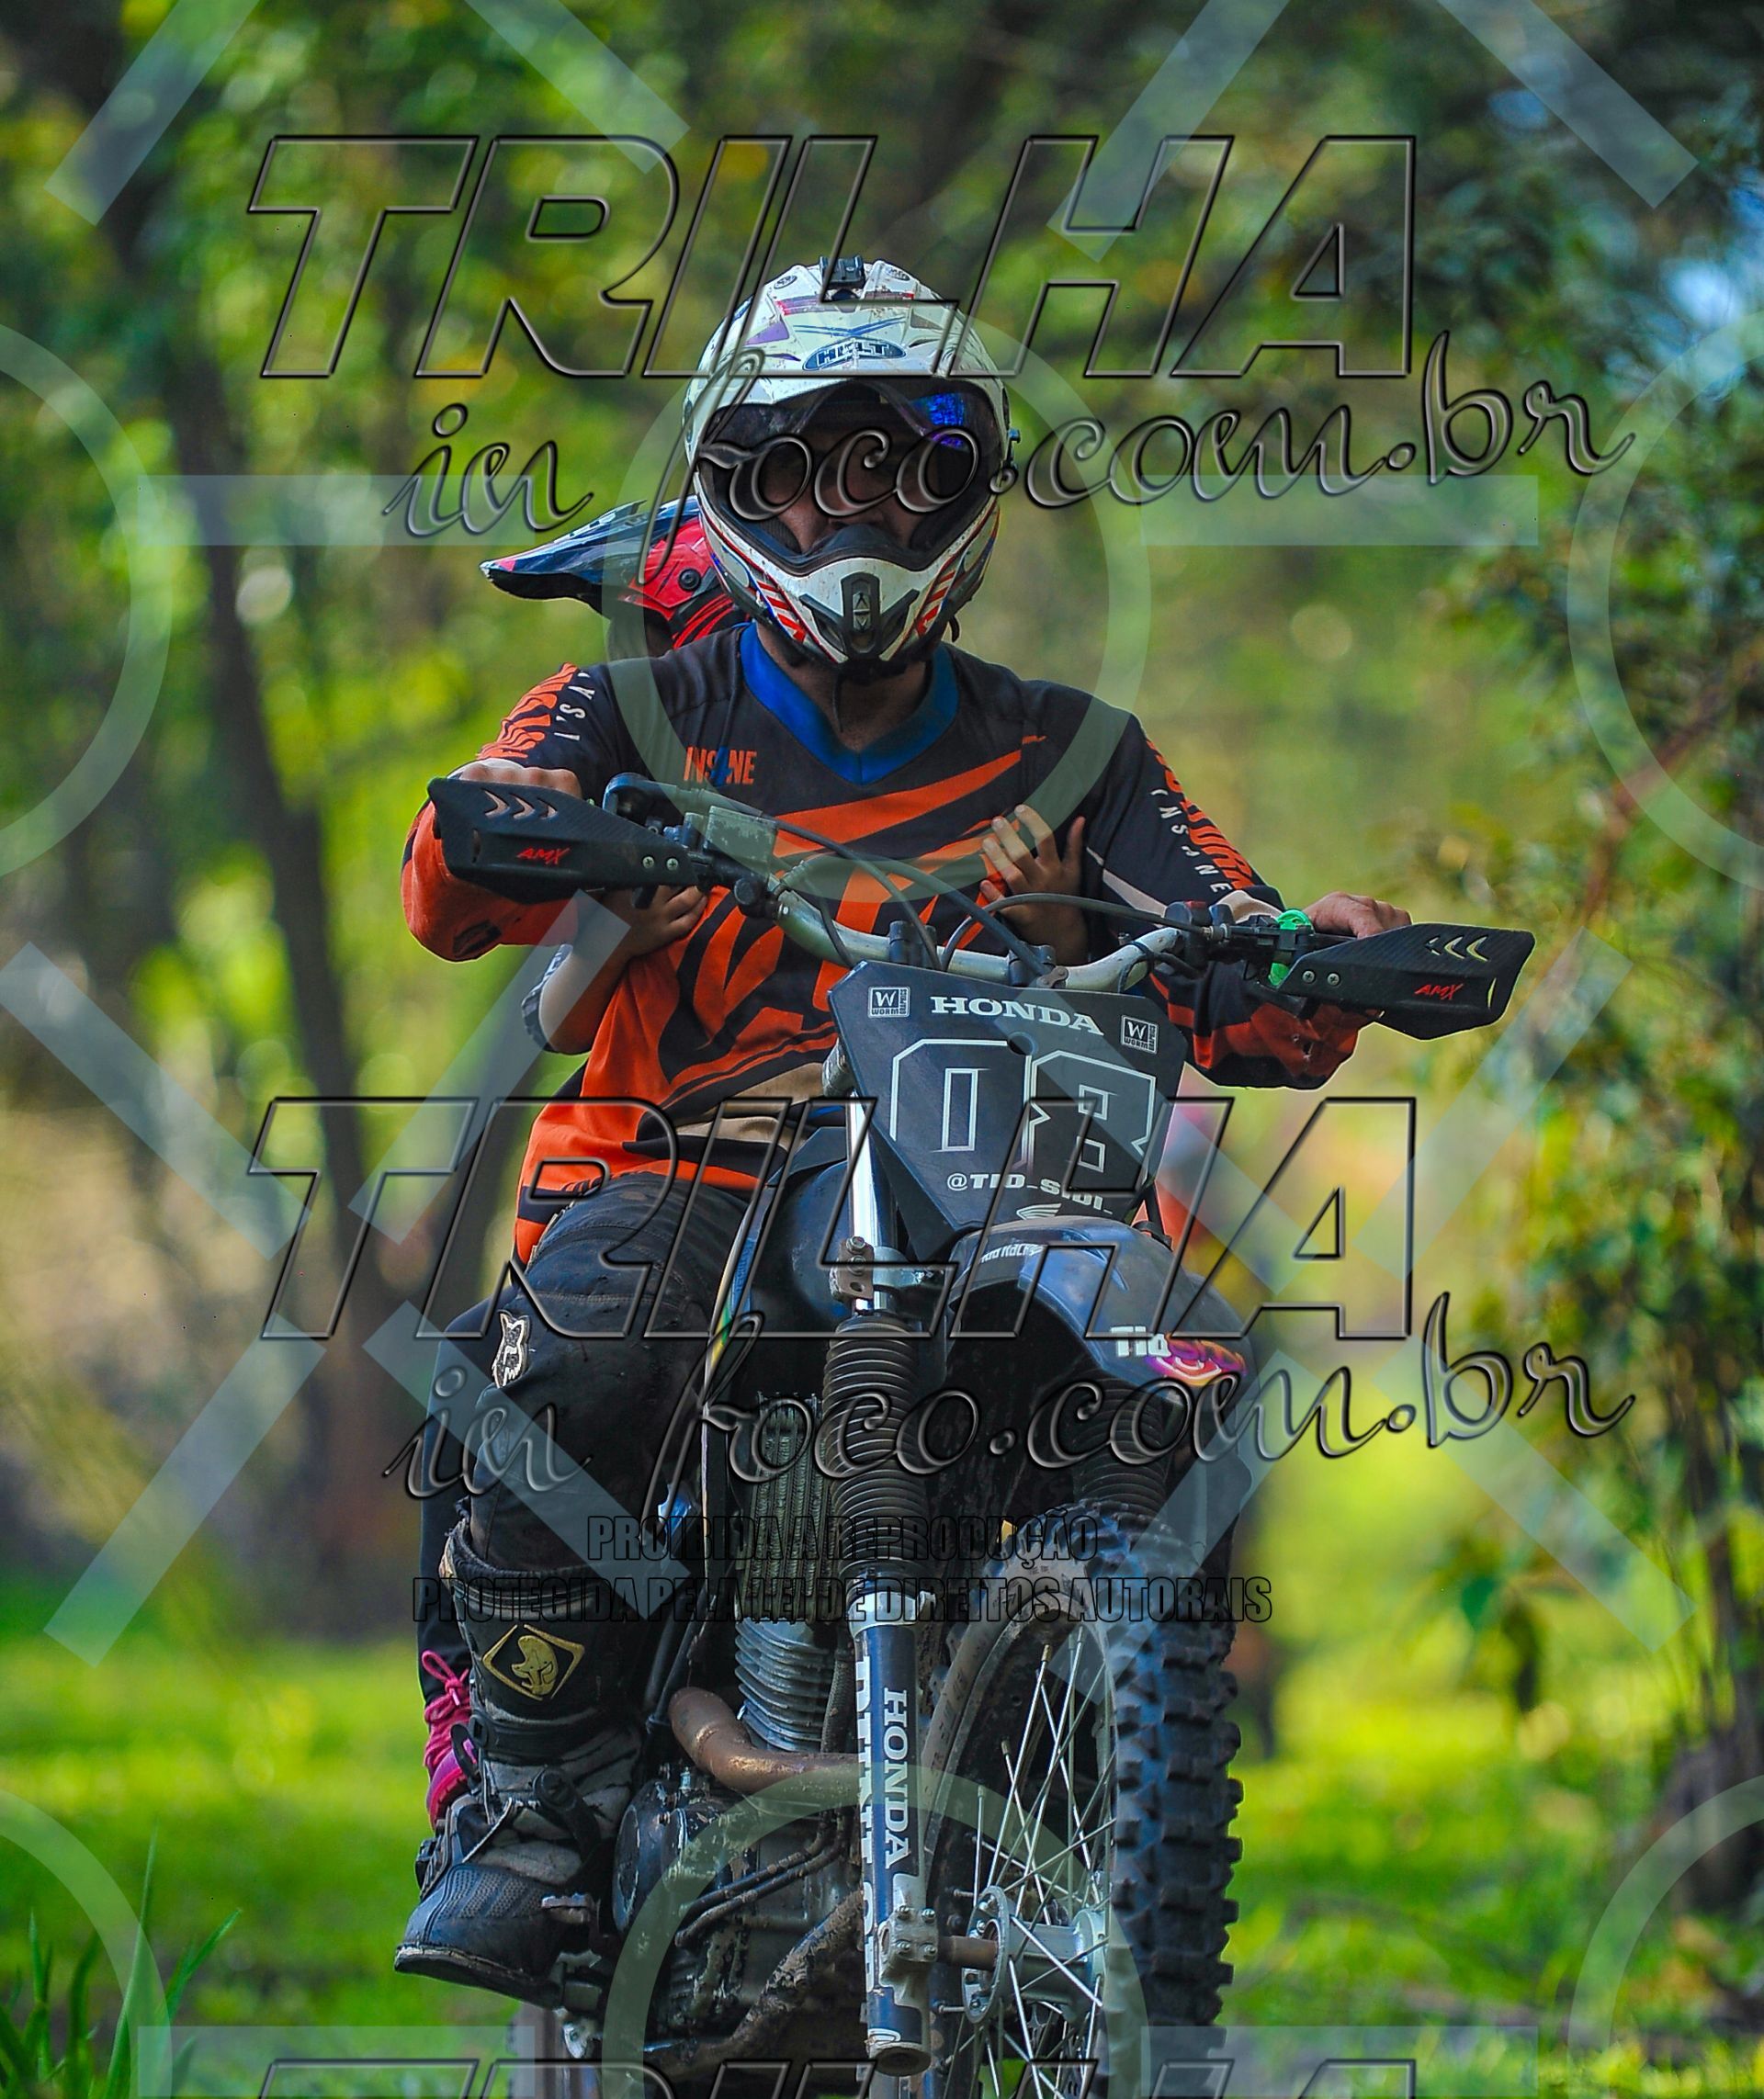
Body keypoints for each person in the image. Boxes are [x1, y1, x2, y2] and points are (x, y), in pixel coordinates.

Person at [393, 254, 1408, 2005]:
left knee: (1182, 1365)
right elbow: (454, 875)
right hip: (692, 1157)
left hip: (994, 1169)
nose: (849, 512)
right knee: (588, 1354)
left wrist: (1326, 950)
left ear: (967, 492)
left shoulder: (1075, 751)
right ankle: (535, 1808)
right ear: (732, 485)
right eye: (802, 468)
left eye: (899, 469)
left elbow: (1234, 955)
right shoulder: (635, 701)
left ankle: (1101, 1749)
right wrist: (519, 814)